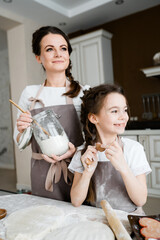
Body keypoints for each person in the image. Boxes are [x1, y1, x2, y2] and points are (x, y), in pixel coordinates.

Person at [14, 26, 89, 201]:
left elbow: (95, 138)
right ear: (38, 57)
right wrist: (22, 129)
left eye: (63, 48)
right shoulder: (29, 93)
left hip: (78, 169)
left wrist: (74, 152)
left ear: (68, 55)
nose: (58, 54)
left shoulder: (84, 93)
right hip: (43, 172)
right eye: (50, 49)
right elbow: (20, 143)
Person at [69, 84, 152, 212]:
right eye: (114, 111)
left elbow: (140, 200)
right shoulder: (83, 153)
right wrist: (87, 173)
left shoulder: (134, 149)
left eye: (124, 110)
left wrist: (123, 167)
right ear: (94, 118)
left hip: (128, 221)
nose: (123, 116)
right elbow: (76, 201)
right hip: (96, 222)